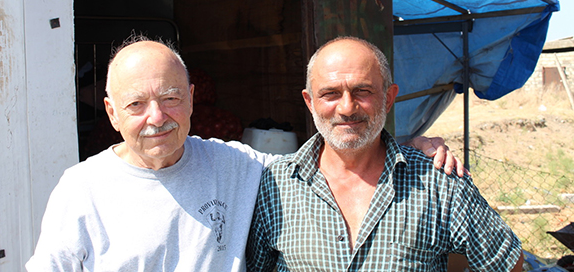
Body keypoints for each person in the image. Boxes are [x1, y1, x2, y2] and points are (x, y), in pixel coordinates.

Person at [26, 36, 462, 271]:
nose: (157, 117)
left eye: (171, 98)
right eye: (136, 104)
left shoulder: (234, 165)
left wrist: (407, 144)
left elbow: (331, 156)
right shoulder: (82, 189)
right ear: (111, 112)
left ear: (193, 99)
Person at [247, 36, 524, 271]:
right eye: (330, 93)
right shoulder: (275, 185)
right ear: (310, 102)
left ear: (389, 98)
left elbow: (507, 264)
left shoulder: (439, 182)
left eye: (362, 91)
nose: (346, 107)